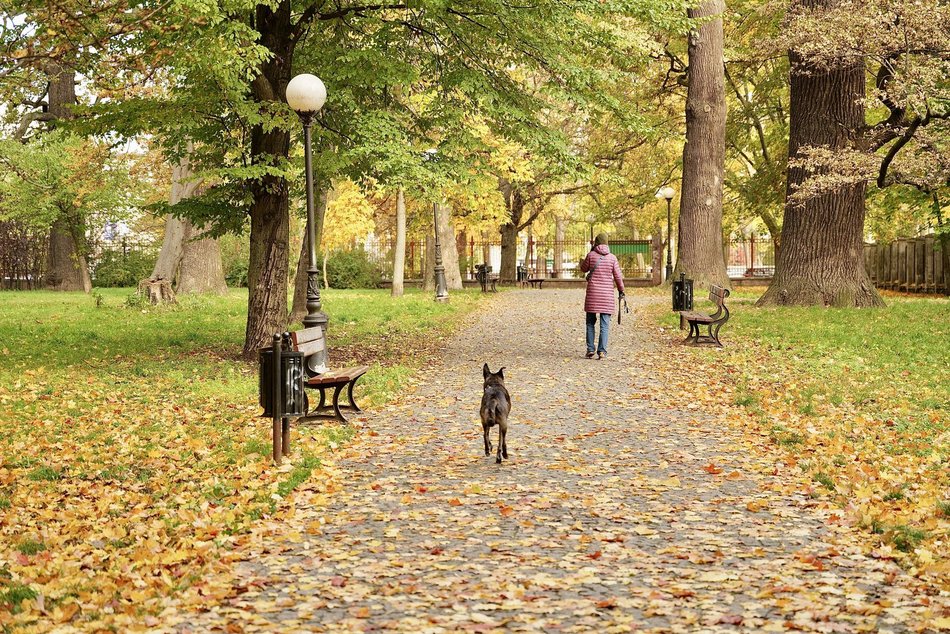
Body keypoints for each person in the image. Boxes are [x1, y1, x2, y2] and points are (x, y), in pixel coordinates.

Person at [579, 233, 625, 360]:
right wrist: (621, 290)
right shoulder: (612, 258)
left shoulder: (591, 255)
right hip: (607, 296)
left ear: (596, 243)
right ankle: (602, 351)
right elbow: (618, 276)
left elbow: (583, 269)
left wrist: (588, 254)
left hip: (593, 295)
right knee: (604, 324)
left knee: (590, 322)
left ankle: (590, 349)